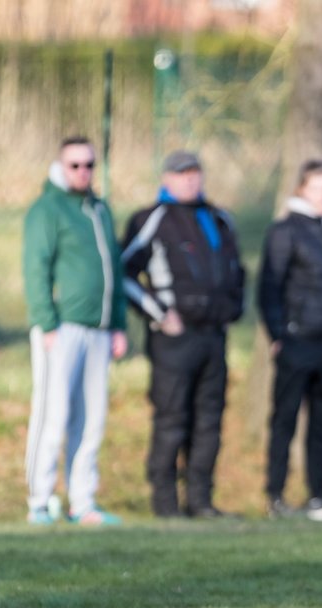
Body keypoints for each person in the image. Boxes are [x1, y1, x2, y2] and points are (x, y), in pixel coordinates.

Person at [122, 150, 246, 518]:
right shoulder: (152, 219)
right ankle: (165, 504)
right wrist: (159, 314)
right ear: (166, 179)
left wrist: (231, 311)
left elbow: (238, 272)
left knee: (209, 419)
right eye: (181, 174)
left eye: (194, 173)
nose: (190, 180)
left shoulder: (220, 218)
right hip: (173, 339)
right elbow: (124, 272)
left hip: (213, 336)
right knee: (171, 418)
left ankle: (201, 501)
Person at [22, 135, 127, 525]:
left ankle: (82, 501)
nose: (83, 172)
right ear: (61, 166)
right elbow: (36, 269)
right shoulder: (46, 209)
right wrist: (46, 322)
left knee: (92, 418)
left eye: (89, 165)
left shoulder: (99, 209)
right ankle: (40, 499)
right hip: (61, 328)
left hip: (98, 331)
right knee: (53, 414)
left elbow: (113, 268)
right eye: (75, 165)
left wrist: (117, 324)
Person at [258, 159, 322, 522]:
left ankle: (317, 494)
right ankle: (275, 495)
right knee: (284, 419)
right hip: (296, 340)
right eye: (317, 188)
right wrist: (278, 334)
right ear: (303, 190)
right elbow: (269, 287)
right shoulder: (285, 230)